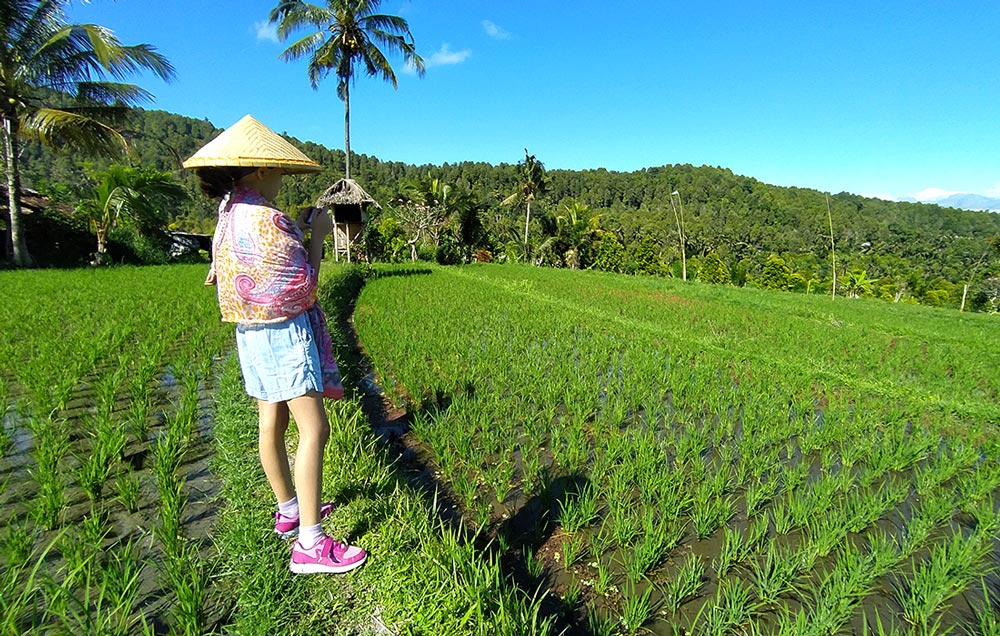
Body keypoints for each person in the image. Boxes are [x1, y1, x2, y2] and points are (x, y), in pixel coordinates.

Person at [183, 115, 366, 574]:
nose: (284, 179)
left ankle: (289, 508)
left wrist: (300, 233)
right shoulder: (269, 219)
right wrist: (319, 239)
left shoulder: (229, 214)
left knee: (272, 421)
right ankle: (310, 544)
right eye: (281, 171)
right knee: (314, 428)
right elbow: (302, 288)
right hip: (285, 333)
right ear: (262, 170)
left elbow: (244, 276)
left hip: (250, 334)